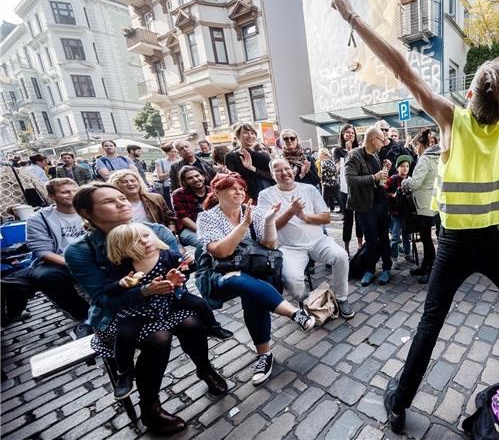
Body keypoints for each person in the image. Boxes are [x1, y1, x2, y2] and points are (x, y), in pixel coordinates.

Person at [331, 0, 499, 433]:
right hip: (493, 242)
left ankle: (399, 405)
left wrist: (353, 17)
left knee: (430, 325)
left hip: (455, 246)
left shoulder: (449, 119)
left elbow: (401, 68)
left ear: (473, 92)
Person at [65, 183, 214, 434]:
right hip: (118, 314)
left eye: (122, 198)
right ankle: (150, 408)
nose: (122, 202)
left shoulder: (155, 231)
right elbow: (103, 299)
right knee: (158, 338)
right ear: (86, 213)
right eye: (109, 201)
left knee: (192, 322)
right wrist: (144, 291)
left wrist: (177, 276)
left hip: (164, 301)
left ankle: (206, 370)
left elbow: (178, 277)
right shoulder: (81, 250)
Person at [197, 172, 315, 385]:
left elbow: (269, 245)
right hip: (222, 273)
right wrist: (243, 225)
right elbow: (221, 252)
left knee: (254, 298)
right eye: (232, 188)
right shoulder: (207, 217)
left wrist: (269, 220)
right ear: (216, 192)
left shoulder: (254, 211)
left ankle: (264, 355)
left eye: (241, 188)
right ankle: (294, 313)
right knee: (237, 280)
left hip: (257, 267)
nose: (239, 192)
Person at [104, 222, 231, 400]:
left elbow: (184, 270)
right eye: (136, 241)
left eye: (146, 236)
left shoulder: (166, 255)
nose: (145, 242)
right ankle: (124, 372)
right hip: (138, 309)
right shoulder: (123, 265)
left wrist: (185, 268)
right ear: (122, 248)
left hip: (169, 300)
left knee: (199, 304)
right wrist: (121, 284)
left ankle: (213, 327)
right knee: (124, 333)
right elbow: (108, 290)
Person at [258, 159, 354, 318]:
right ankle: (306, 302)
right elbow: (270, 227)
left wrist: (304, 216)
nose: (284, 173)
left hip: (318, 241)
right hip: (289, 247)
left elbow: (326, 217)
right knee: (291, 278)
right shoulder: (265, 195)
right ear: (272, 174)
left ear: (293, 170)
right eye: (278, 170)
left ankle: (341, 297)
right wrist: (290, 212)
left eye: (287, 168)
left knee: (341, 256)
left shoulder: (308, 189)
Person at [25, 178, 92, 337]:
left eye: (74, 190)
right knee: (47, 277)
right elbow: (42, 251)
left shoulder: (90, 210)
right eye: (65, 192)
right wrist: (75, 264)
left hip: (93, 255)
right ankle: (85, 316)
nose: (72, 194)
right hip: (60, 260)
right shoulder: (38, 219)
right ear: (51, 197)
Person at [346, 127, 394, 286]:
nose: (384, 142)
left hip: (381, 204)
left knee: (384, 239)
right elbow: (351, 179)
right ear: (374, 139)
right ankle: (369, 269)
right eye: (382, 140)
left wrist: (386, 167)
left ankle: (387, 268)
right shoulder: (354, 155)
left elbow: (380, 180)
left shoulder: (375, 155)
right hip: (365, 208)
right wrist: (374, 176)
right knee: (372, 241)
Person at [401, 129, 440, 283]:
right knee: (426, 238)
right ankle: (425, 265)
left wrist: (405, 181)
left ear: (419, 144)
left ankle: (431, 269)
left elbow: (415, 183)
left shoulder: (425, 159)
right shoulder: (435, 157)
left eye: (415, 146)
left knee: (426, 239)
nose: (415, 149)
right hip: (430, 202)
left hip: (423, 204)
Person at [224, 122, 275, 202]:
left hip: (266, 196)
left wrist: (253, 169)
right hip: (244, 198)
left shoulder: (262, 155)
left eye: (253, 133)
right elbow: (233, 182)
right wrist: (233, 176)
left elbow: (273, 176)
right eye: (245, 133)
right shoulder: (231, 157)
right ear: (238, 136)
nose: (250, 136)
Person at [333, 124, 363, 255]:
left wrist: (352, 151)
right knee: (348, 220)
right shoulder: (337, 150)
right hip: (345, 191)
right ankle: (346, 247)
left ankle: (360, 245)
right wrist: (348, 152)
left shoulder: (359, 150)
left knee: (360, 219)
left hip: (357, 189)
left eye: (352, 133)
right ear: (342, 135)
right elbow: (339, 168)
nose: (350, 135)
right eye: (347, 132)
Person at [109, 170, 174, 230]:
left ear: (139, 183)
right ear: (117, 185)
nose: (130, 184)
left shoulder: (155, 198)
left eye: (133, 181)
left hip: (157, 235)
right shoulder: (114, 205)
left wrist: (172, 231)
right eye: (124, 182)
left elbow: (169, 218)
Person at [384, 154, 414, 264]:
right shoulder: (392, 179)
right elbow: (384, 191)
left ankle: (407, 254)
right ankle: (394, 258)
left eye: (407, 166)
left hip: (406, 214)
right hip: (395, 213)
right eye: (402, 166)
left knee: (407, 236)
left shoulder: (410, 180)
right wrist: (393, 195)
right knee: (395, 237)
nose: (405, 168)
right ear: (397, 168)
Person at [172, 166, 210, 250]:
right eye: (190, 178)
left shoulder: (212, 191)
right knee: (203, 243)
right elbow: (184, 219)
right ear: (184, 182)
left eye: (197, 176)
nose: (195, 179)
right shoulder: (178, 194)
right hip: (189, 229)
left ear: (203, 176)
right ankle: (199, 263)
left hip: (212, 227)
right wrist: (203, 231)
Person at [155, 143, 179, 210]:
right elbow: (160, 177)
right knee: (170, 207)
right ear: (167, 152)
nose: (173, 154)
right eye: (171, 152)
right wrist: (172, 171)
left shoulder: (180, 161)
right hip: (167, 187)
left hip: (179, 186)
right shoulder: (160, 162)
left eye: (175, 152)